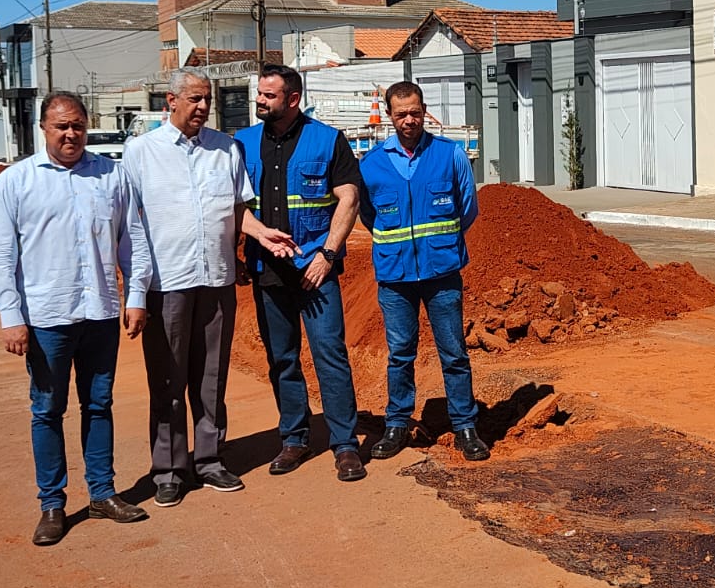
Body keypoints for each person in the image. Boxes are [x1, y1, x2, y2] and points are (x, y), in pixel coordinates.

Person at [0, 91, 154, 547]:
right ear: (43, 128)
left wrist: (136, 296)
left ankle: (102, 493)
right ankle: (52, 505)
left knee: (99, 404)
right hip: (45, 318)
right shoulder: (15, 182)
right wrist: (10, 315)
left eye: (78, 125)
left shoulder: (111, 176)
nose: (71, 134)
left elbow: (132, 240)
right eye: (61, 126)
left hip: (99, 313)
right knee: (47, 411)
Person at [122, 69, 298, 507]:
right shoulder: (141, 152)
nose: (203, 107)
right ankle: (168, 469)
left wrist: (262, 234)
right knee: (168, 379)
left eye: (207, 100)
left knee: (211, 377)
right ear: (171, 101)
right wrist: (135, 291)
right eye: (195, 99)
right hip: (167, 283)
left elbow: (237, 209)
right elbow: (129, 224)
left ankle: (209, 458)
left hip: (217, 279)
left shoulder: (226, 148)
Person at [235, 64, 368, 482]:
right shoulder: (242, 143)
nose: (259, 100)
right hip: (267, 271)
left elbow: (349, 198)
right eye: (259, 93)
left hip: (316, 271)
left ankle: (345, 445)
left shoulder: (327, 140)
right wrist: (250, 241)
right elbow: (232, 204)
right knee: (282, 358)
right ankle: (294, 439)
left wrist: (327, 255)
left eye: (268, 95)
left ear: (292, 99)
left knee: (330, 354)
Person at [360, 81, 489, 463]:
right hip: (395, 277)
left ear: (424, 111)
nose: (409, 120)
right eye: (401, 114)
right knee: (400, 353)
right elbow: (368, 215)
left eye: (415, 112)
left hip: (442, 273)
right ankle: (397, 424)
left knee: (454, 353)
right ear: (389, 116)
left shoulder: (450, 155)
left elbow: (468, 209)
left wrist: (439, 245)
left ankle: (465, 426)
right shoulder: (371, 165)